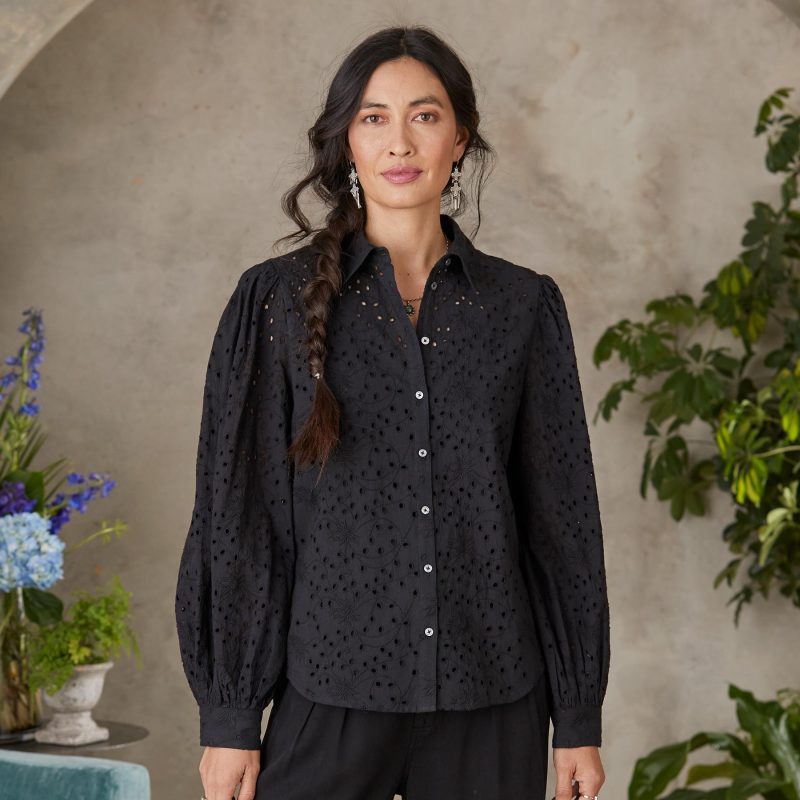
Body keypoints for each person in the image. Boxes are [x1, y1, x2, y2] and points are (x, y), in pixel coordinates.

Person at [174, 24, 610, 800]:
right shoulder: (273, 302)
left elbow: (561, 519)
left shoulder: (522, 305)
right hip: (330, 689)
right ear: (347, 139)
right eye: (374, 117)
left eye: (425, 115)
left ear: (460, 137)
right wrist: (231, 715)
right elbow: (240, 516)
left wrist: (577, 715)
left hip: (493, 696)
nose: (399, 142)